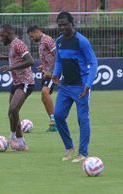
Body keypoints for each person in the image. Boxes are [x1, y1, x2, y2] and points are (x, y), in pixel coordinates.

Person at [52, 11, 98, 162]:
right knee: (58, 116)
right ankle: (69, 147)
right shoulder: (58, 41)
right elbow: (59, 61)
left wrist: (88, 84)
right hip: (65, 86)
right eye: (60, 25)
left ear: (72, 23)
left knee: (82, 119)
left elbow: (93, 63)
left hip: (80, 87)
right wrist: (55, 74)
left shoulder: (82, 41)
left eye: (65, 24)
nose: (63, 27)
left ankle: (83, 153)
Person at [0, 24, 35, 151]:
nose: (0, 38)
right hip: (16, 82)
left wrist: (11, 68)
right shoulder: (12, 45)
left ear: (8, 33)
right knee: (11, 112)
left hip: (25, 82)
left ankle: (12, 138)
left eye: (2, 35)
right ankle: (21, 143)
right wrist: (5, 58)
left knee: (13, 108)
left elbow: (30, 61)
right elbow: (16, 58)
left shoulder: (18, 43)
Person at [27, 25, 57, 132]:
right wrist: (43, 66)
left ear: (36, 32)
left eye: (31, 36)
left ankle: (55, 122)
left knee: (45, 93)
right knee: (44, 97)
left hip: (53, 73)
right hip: (47, 72)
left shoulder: (47, 40)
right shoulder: (41, 42)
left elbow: (57, 55)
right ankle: (53, 122)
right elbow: (48, 57)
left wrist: (51, 70)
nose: (31, 39)